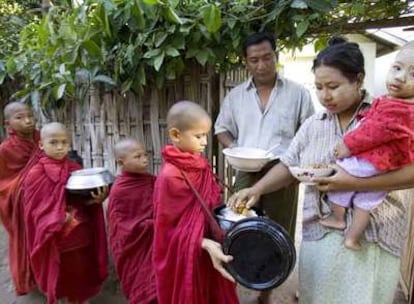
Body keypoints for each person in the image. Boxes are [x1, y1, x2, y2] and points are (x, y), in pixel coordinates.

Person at [229, 37, 410, 304]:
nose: (325, 95)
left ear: (358, 80)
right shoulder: (315, 124)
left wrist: (350, 183)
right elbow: (290, 166)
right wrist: (256, 189)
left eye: (334, 86)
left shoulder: (391, 115)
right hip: (320, 233)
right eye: (319, 88)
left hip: (373, 235)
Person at [214, 31, 314, 304]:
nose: (261, 65)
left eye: (267, 57)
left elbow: (309, 133)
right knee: (239, 227)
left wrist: (296, 170)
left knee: (278, 230)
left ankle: (265, 290)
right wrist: (236, 147)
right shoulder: (236, 96)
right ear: (246, 62)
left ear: (276, 56)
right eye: (254, 59)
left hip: (283, 172)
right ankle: (240, 278)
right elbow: (220, 128)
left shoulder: (298, 93)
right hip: (245, 171)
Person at [319, 42, 414, 250]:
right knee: (366, 203)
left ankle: (338, 217)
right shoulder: (394, 102)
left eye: (333, 87)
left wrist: (347, 145)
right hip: (387, 163)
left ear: (359, 80)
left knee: (340, 175)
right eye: (397, 68)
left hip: (375, 160)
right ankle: (352, 237)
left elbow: (374, 132)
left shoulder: (399, 107)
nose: (399, 77)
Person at [153, 100, 239, 304]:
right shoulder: (170, 177)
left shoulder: (198, 164)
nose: (205, 143)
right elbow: (165, 230)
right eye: (198, 136)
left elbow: (210, 203)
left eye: (206, 136)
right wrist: (200, 241)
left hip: (212, 246)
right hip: (188, 254)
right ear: (176, 135)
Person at [23, 122, 108, 304]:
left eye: (64, 142)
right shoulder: (35, 174)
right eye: (53, 142)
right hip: (55, 240)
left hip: (80, 236)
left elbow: (84, 202)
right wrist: (56, 218)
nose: (60, 147)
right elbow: (33, 210)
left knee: (81, 276)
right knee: (60, 279)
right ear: (41, 145)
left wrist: (95, 201)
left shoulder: (75, 170)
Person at [107, 138, 157, 304]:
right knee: (143, 289)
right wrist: (153, 224)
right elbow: (121, 227)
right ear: (121, 162)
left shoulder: (150, 180)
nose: (144, 159)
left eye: (145, 155)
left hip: (155, 244)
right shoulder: (120, 190)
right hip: (136, 247)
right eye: (137, 156)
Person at [0, 101, 39, 295]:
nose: (27, 121)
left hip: (45, 198)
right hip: (22, 203)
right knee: (27, 240)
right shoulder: (5, 150)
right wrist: (24, 186)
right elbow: (4, 184)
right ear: (8, 123)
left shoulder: (42, 138)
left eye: (30, 116)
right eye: (20, 118)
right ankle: (30, 278)